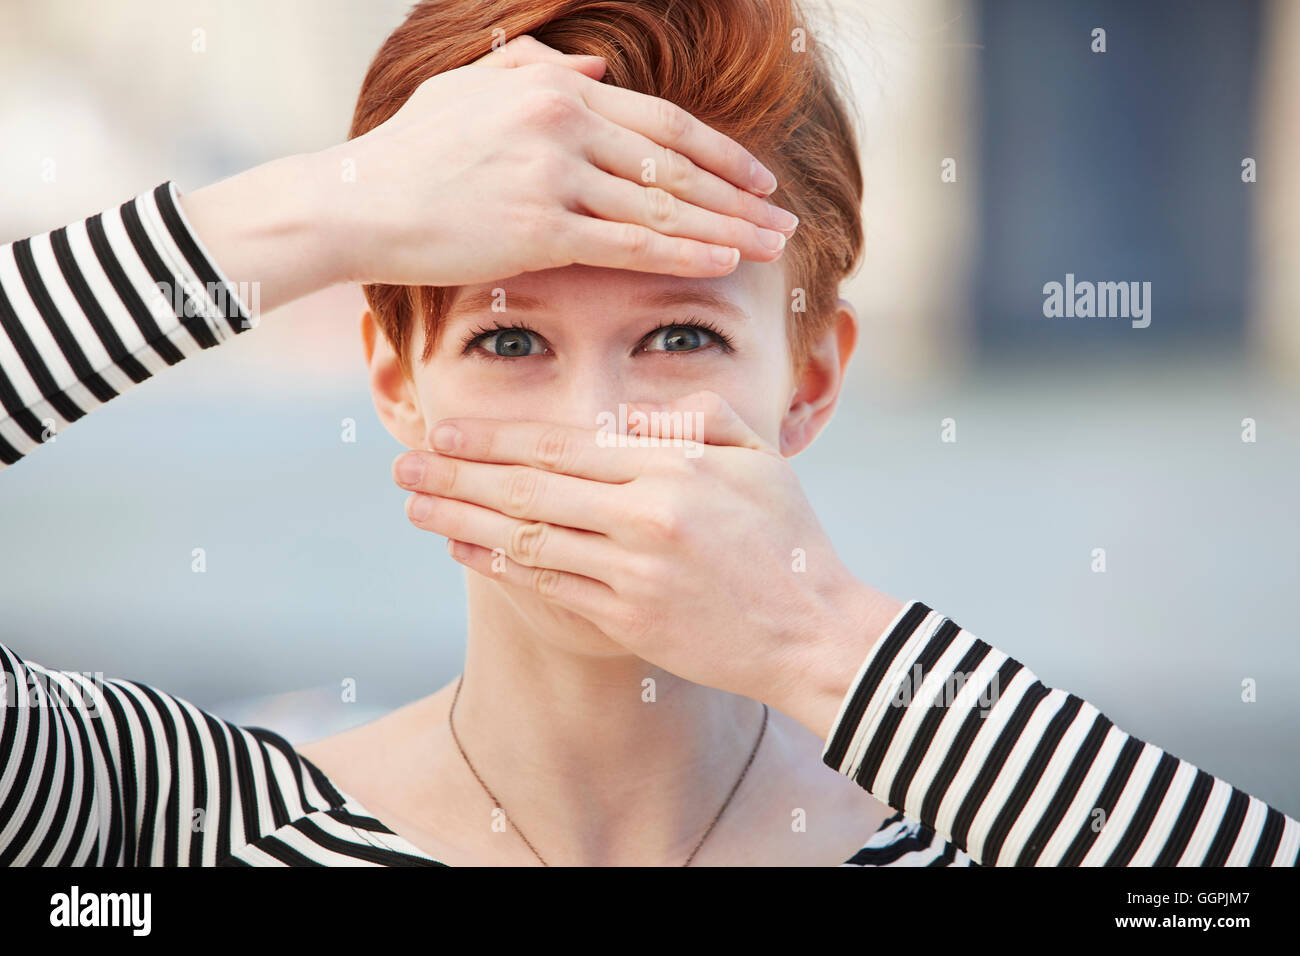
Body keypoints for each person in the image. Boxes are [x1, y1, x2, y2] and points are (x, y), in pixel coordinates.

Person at [1, 1, 1294, 867]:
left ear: (811, 380)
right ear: (395, 381)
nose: (600, 425)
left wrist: (821, 639)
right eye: (509, 340)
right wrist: (334, 208)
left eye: (682, 338)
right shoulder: (193, 824)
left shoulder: (986, 828)